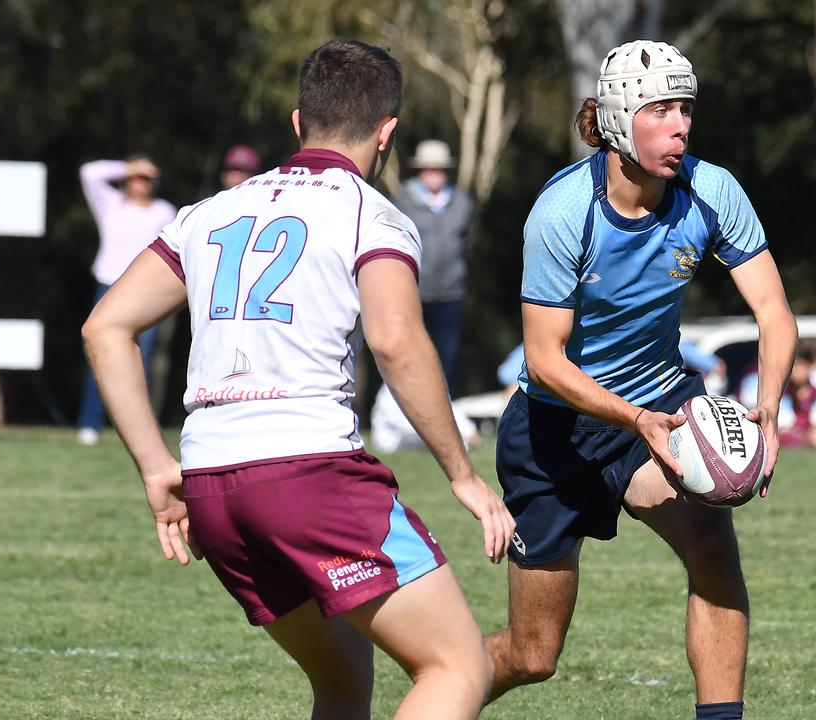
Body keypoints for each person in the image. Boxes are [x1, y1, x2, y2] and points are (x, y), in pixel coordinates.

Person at [81, 39, 513, 719]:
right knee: (458, 666)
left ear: (296, 122)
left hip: (214, 485)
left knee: (343, 677)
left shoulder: (207, 213)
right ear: (388, 132)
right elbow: (396, 340)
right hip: (311, 477)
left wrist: (155, 466)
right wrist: (462, 474)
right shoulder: (372, 213)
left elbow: (104, 327)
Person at [485, 41, 797, 720]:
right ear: (622, 119)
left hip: (660, 396)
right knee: (533, 654)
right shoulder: (563, 213)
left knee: (714, 546)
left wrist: (768, 414)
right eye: (661, 109)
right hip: (555, 429)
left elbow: (774, 315)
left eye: (686, 108)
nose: (681, 125)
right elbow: (545, 361)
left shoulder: (712, 192)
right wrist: (634, 421)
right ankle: (443, 687)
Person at [76, 154, 177, 445]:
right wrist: (130, 166)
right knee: (100, 355)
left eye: (146, 178)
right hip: (108, 284)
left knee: (138, 361)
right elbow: (89, 172)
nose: (140, 183)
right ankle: (89, 423)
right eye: (136, 177)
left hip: (145, 290)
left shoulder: (163, 211)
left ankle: (137, 430)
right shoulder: (110, 204)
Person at [392, 139, 476, 394]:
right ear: (420, 171)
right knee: (411, 354)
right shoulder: (403, 201)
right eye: (429, 169)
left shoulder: (462, 202)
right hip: (414, 293)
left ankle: (447, 410)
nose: (434, 175)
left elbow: (468, 242)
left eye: (438, 169)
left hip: (451, 293)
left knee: (448, 358)